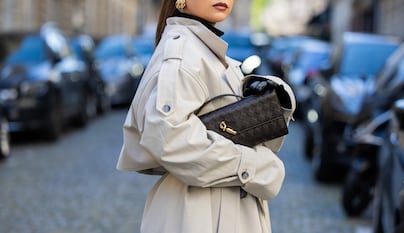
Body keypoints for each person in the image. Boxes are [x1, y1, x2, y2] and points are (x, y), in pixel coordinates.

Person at [117, 0, 296, 232]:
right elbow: (168, 138)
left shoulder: (203, 50)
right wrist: (254, 166)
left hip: (210, 207)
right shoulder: (182, 54)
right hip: (200, 213)